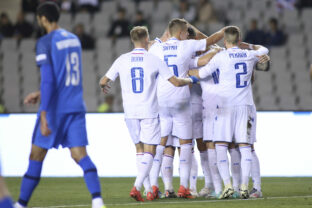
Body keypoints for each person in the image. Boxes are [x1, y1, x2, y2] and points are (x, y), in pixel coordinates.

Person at [14, 2, 105, 208]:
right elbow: (66, 76)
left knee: (36, 155)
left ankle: (20, 204)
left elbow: (48, 80)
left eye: (39, 18)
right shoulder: (73, 39)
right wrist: (40, 93)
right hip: (76, 107)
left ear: (43, 18)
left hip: (55, 109)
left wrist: (44, 113)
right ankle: (97, 201)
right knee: (80, 156)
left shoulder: (45, 42)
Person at [99, 26, 199, 202]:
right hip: (149, 111)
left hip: (129, 112)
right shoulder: (153, 59)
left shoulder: (122, 59)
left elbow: (104, 80)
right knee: (150, 150)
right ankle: (138, 187)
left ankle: (148, 189)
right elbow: (175, 82)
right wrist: (191, 79)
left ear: (132, 40)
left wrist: (103, 86)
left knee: (139, 149)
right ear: (147, 39)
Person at [148, 18, 229, 199]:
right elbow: (208, 44)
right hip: (182, 101)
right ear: (182, 33)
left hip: (161, 102)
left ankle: (155, 186)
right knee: (186, 144)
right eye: (185, 32)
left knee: (163, 145)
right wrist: (224, 32)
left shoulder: (155, 48)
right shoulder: (186, 47)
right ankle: (185, 187)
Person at [189, 26, 269, 199]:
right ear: (239, 41)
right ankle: (245, 187)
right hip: (245, 106)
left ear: (224, 41)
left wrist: (181, 75)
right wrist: (250, 46)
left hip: (224, 107)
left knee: (220, 145)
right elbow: (264, 50)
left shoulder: (219, 56)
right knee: (246, 147)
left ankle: (227, 186)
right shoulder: (249, 55)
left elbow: (201, 73)